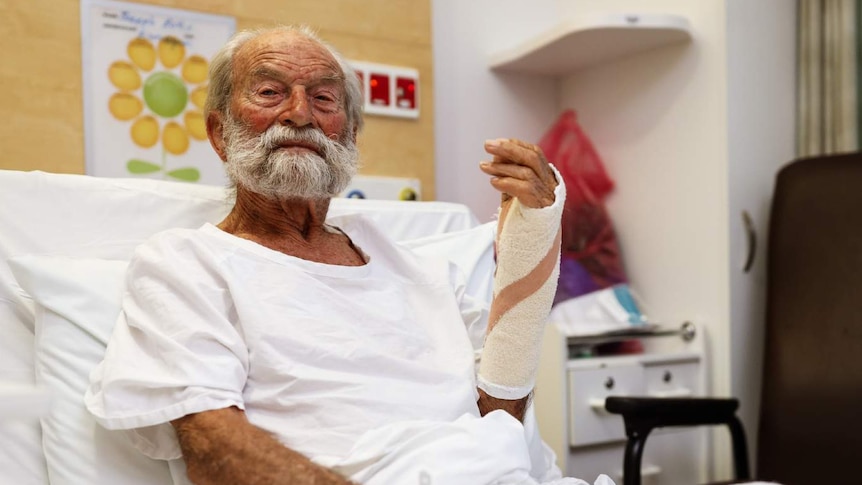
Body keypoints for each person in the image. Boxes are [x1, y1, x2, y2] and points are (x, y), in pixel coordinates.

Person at [85, 25, 610, 485]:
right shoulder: (185, 264)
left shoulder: (417, 267)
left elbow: (501, 421)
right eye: (270, 91)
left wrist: (534, 232)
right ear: (220, 134)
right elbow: (211, 449)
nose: (299, 114)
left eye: (324, 99)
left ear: (351, 133)